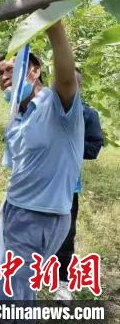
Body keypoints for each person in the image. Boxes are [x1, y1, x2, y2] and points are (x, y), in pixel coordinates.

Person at [0, 21, 83, 311]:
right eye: (0, 72)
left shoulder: (58, 107)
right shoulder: (17, 117)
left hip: (43, 218)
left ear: (34, 71)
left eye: (10, 69)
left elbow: (66, 79)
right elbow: (19, 169)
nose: (3, 76)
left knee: (1, 299)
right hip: (15, 213)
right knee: (17, 293)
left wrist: (52, 20)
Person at [53, 67, 103, 300]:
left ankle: (63, 282)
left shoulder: (87, 115)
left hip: (66, 185)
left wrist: (69, 144)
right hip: (35, 184)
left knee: (65, 233)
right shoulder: (43, 110)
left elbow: (93, 149)